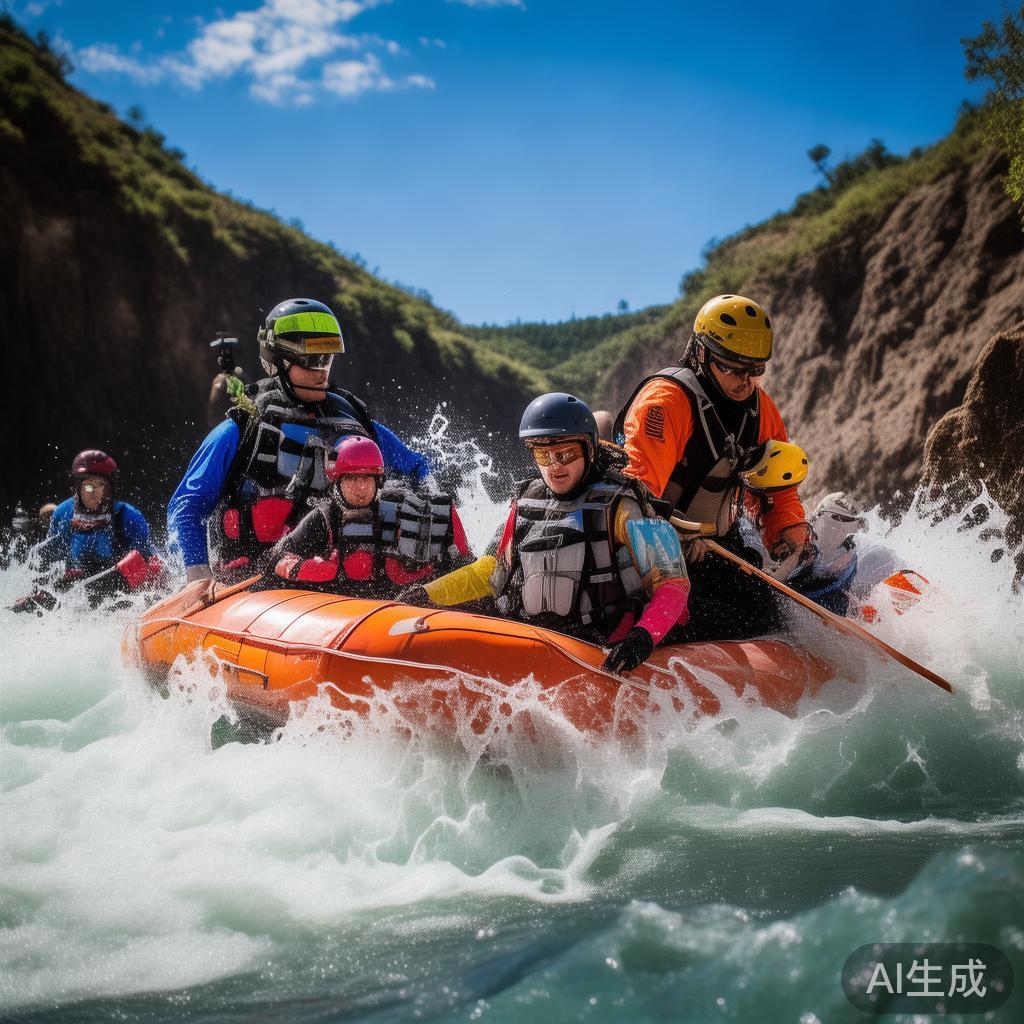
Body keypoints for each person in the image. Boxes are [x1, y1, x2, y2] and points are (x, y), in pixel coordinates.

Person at [403, 393, 690, 673]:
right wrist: (427, 594)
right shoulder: (525, 503)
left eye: (565, 454)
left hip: (601, 654)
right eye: (544, 454)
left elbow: (673, 584)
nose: (555, 466)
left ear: (588, 449)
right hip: (532, 645)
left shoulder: (623, 505)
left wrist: (642, 638)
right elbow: (488, 573)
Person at [168, 298, 431, 588]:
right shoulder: (240, 428)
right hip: (252, 586)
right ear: (279, 360)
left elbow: (418, 469)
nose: (322, 372)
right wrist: (197, 574)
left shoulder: (356, 424)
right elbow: (186, 506)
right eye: (312, 361)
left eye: (327, 359)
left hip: (339, 581)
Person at [614, 294, 813, 640]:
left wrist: (788, 540)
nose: (745, 381)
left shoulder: (761, 410)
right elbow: (634, 498)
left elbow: (778, 496)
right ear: (702, 354)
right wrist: (671, 545)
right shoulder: (666, 402)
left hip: (719, 544)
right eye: (733, 368)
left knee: (765, 610)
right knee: (715, 615)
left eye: (755, 370)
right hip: (662, 549)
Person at [267, 436, 473, 595]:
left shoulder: (403, 509)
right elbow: (277, 557)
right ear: (338, 482)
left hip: (405, 609)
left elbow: (461, 559)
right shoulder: (324, 517)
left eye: (368, 478)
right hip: (342, 614)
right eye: (352, 478)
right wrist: (320, 570)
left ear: (378, 482)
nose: (361, 487)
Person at [12, 450, 163, 612]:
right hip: (78, 597)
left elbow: (155, 570)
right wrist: (40, 591)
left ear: (110, 489)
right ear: (78, 488)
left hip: (122, 594)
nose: (95, 494)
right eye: (89, 486)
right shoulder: (63, 515)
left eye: (101, 486)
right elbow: (49, 565)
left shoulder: (129, 517)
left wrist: (140, 573)